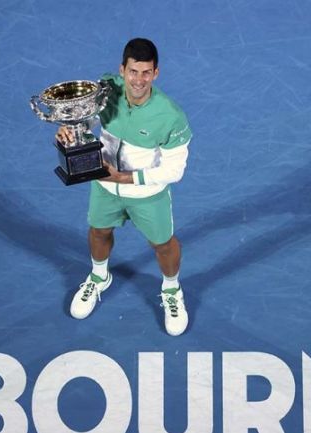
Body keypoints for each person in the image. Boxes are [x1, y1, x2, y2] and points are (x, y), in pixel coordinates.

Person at [56, 38, 192, 336]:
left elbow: (174, 170)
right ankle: (99, 275)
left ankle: (171, 290)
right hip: (105, 187)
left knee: (163, 244)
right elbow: (90, 119)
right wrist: (72, 129)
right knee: (99, 231)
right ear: (122, 70)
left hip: (147, 194)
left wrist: (126, 178)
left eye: (146, 73)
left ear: (156, 73)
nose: (138, 80)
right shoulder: (106, 88)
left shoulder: (171, 116)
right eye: (133, 72)